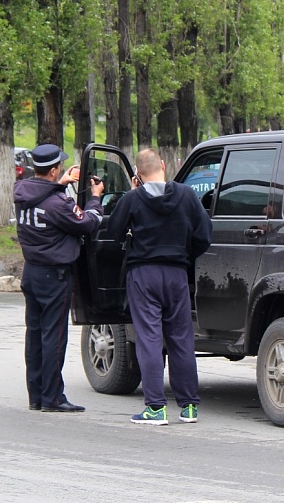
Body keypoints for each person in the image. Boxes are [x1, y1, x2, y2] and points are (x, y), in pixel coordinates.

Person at [107, 148, 212, 425]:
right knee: (181, 339)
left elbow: (113, 232)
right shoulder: (187, 195)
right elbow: (205, 235)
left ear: (138, 176)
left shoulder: (133, 198)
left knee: (150, 338)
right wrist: (185, 256)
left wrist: (132, 195)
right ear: (163, 165)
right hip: (176, 274)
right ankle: (189, 406)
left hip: (144, 275)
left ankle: (155, 408)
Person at [14, 144, 104, 413]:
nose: (63, 170)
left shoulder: (23, 193)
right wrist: (96, 198)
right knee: (54, 337)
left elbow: (46, 198)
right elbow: (88, 222)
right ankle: (52, 398)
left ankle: (36, 396)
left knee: (35, 335)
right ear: (53, 170)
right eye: (60, 168)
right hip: (54, 276)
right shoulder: (58, 203)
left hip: (32, 272)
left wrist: (60, 184)